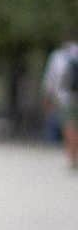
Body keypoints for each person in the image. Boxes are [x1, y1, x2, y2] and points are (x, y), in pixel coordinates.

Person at [42, 38, 78, 169]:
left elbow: (51, 78)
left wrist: (48, 97)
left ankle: (72, 158)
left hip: (67, 98)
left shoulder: (58, 56)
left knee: (70, 126)